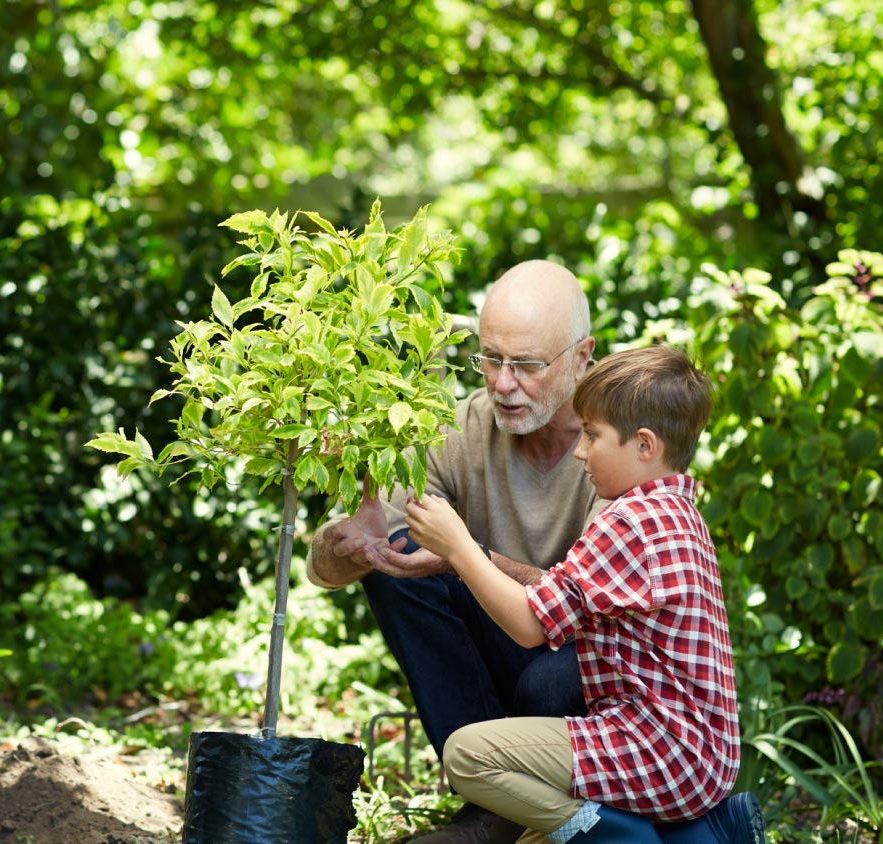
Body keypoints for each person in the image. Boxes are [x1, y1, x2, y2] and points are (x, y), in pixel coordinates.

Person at [406, 345, 763, 844]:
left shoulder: (631, 521)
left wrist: (458, 546)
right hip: (699, 758)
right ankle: (703, 833)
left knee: (467, 755)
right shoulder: (678, 512)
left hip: (659, 750)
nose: (579, 451)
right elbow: (563, 598)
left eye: (592, 436)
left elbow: (530, 624)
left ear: (644, 445)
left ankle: (621, 836)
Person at [307, 260, 603, 843]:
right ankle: (489, 804)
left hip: (588, 676)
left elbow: (593, 608)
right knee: (398, 561)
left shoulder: (617, 439)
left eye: (526, 365)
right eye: (490, 358)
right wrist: (349, 548)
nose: (502, 382)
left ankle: (518, 815)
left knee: (552, 677)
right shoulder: (463, 426)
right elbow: (329, 568)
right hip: (502, 655)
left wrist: (465, 555)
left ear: (581, 357)